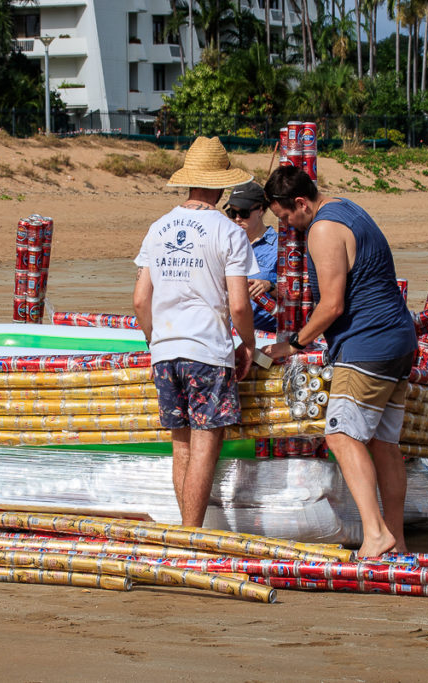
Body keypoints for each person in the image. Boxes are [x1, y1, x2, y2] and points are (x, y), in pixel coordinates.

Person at [262, 166, 417, 558]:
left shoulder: (323, 229)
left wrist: (293, 344)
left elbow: (332, 304)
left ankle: (376, 534)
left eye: (285, 217)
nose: (287, 227)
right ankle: (394, 539)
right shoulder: (348, 208)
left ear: (300, 203)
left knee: (340, 436)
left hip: (368, 347)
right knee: (384, 444)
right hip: (398, 342)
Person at [133, 136, 257, 527]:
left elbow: (140, 300)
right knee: (206, 444)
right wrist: (248, 344)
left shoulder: (158, 228)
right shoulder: (228, 232)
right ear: (221, 185)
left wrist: (155, 340)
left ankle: (187, 532)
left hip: (166, 349)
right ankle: (192, 533)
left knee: (181, 445)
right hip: (206, 348)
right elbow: (238, 304)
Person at [224, 181, 277, 332]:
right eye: (232, 213)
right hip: (227, 334)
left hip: (264, 337)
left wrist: (270, 287)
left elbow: (297, 297)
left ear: (260, 210)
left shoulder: (280, 248)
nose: (238, 219)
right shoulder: (226, 244)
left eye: (244, 213)